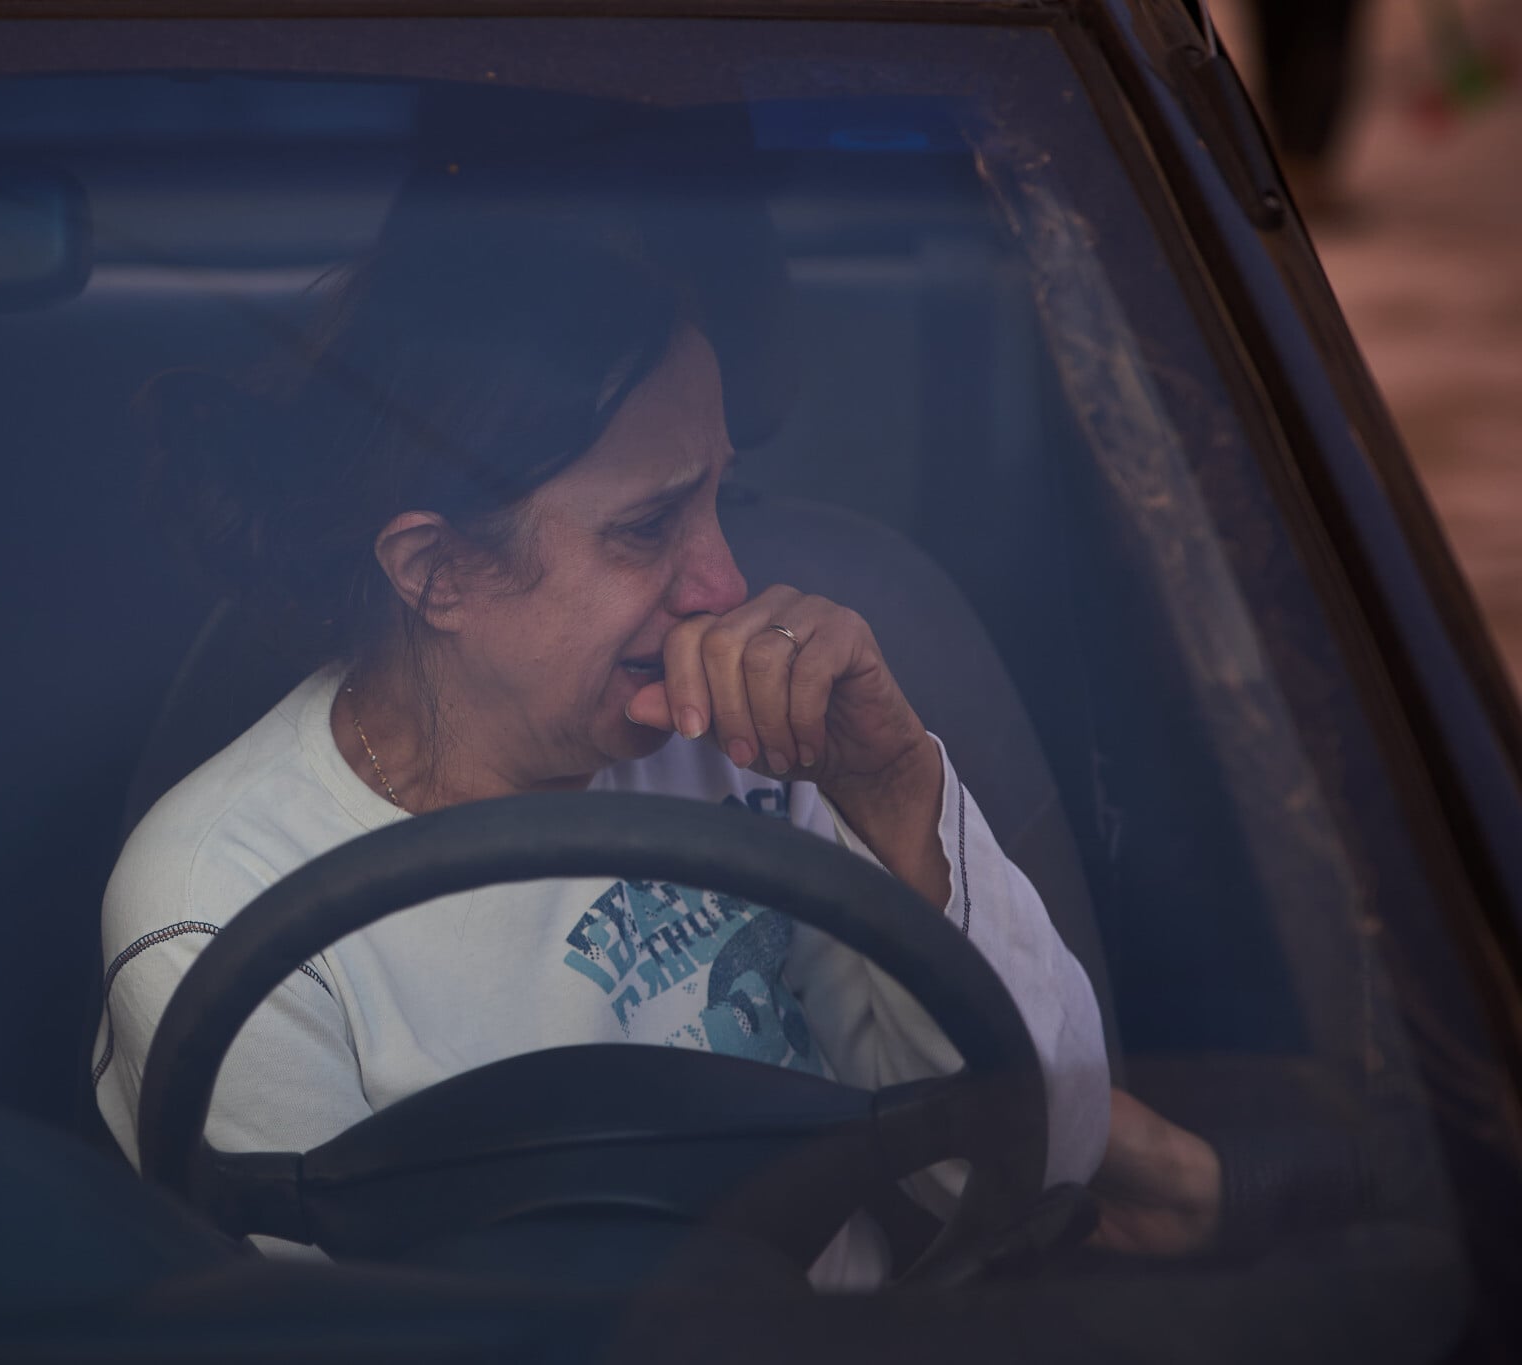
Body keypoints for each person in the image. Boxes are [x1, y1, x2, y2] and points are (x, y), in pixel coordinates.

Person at [93, 208, 1219, 1286]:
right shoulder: (219, 910)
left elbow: (1017, 1166)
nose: (724, 584)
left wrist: (889, 794)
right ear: (437, 572)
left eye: (719, 498)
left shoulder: (750, 735)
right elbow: (338, 1335)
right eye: (646, 527)